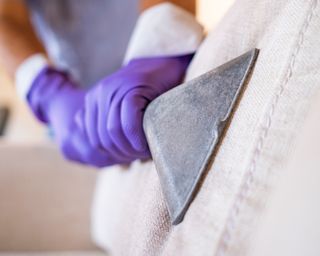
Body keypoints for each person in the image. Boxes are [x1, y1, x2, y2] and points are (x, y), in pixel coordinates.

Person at [0, 0, 198, 167]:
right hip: (73, 104)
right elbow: (5, 17)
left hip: (155, 68)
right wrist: (45, 88)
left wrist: (160, 43)